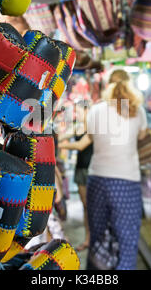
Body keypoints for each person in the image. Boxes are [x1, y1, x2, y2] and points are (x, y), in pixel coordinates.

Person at [59, 69, 147, 270]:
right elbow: (142, 138)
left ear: (107, 85)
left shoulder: (97, 110)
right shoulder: (136, 109)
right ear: (129, 83)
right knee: (127, 240)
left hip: (97, 180)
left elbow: (89, 137)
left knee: (98, 237)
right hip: (126, 181)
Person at [58, 100, 93, 252]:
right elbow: (63, 136)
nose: (76, 115)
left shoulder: (94, 128)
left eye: (78, 111)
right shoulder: (78, 127)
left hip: (91, 170)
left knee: (91, 207)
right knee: (85, 207)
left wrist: (59, 145)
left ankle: (93, 239)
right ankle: (88, 239)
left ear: (86, 111)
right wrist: (52, 139)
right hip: (80, 170)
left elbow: (80, 145)